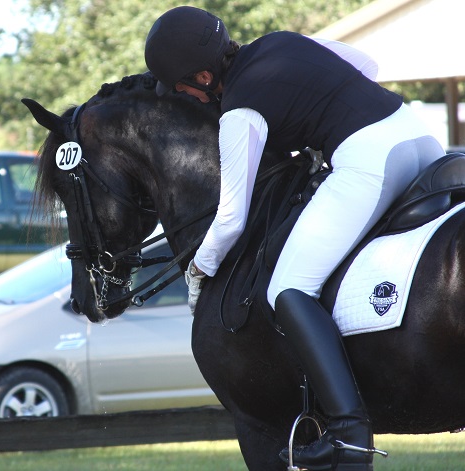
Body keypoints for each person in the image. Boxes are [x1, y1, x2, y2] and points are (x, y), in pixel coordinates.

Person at [144, 6, 444, 470]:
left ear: (203, 76)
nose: (186, 96)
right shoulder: (281, 42)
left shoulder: (239, 108)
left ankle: (347, 429)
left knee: (287, 287)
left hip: (370, 160)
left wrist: (199, 267)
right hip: (418, 139)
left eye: (182, 86)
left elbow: (230, 219)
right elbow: (367, 66)